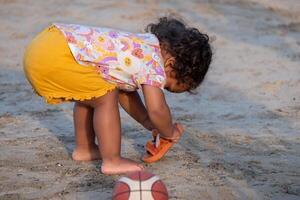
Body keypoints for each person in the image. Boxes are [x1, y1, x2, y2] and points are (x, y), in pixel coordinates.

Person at [23, 17, 212, 175]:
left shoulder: (142, 46)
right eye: (169, 86)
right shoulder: (154, 63)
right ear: (171, 64)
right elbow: (157, 109)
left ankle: (85, 149)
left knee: (92, 93)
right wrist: (169, 132)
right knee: (105, 97)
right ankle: (112, 160)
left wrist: (147, 122)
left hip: (45, 45)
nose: (162, 87)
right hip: (57, 54)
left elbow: (126, 94)